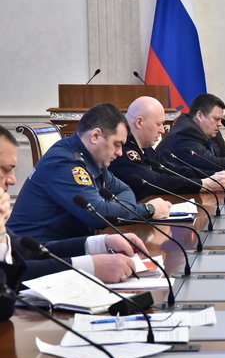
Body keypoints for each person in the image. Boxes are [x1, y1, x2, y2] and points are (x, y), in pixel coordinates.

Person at [0, 126, 145, 320]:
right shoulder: (64, 161)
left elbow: (28, 253)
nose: (12, 179)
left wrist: (101, 243)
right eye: (5, 169)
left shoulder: (91, 160)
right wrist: (90, 267)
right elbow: (5, 301)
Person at [8, 103, 172, 242]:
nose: (120, 152)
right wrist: (148, 209)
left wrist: (115, 210)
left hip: (63, 246)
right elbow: (97, 215)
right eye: (116, 144)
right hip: (34, 255)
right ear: (95, 136)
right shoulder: (65, 163)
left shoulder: (91, 159)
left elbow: (124, 190)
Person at [109, 96, 225, 200]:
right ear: (139, 122)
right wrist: (203, 184)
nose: (162, 130)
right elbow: (154, 181)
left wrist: (213, 176)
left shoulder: (144, 147)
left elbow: (171, 170)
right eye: (159, 124)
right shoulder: (123, 150)